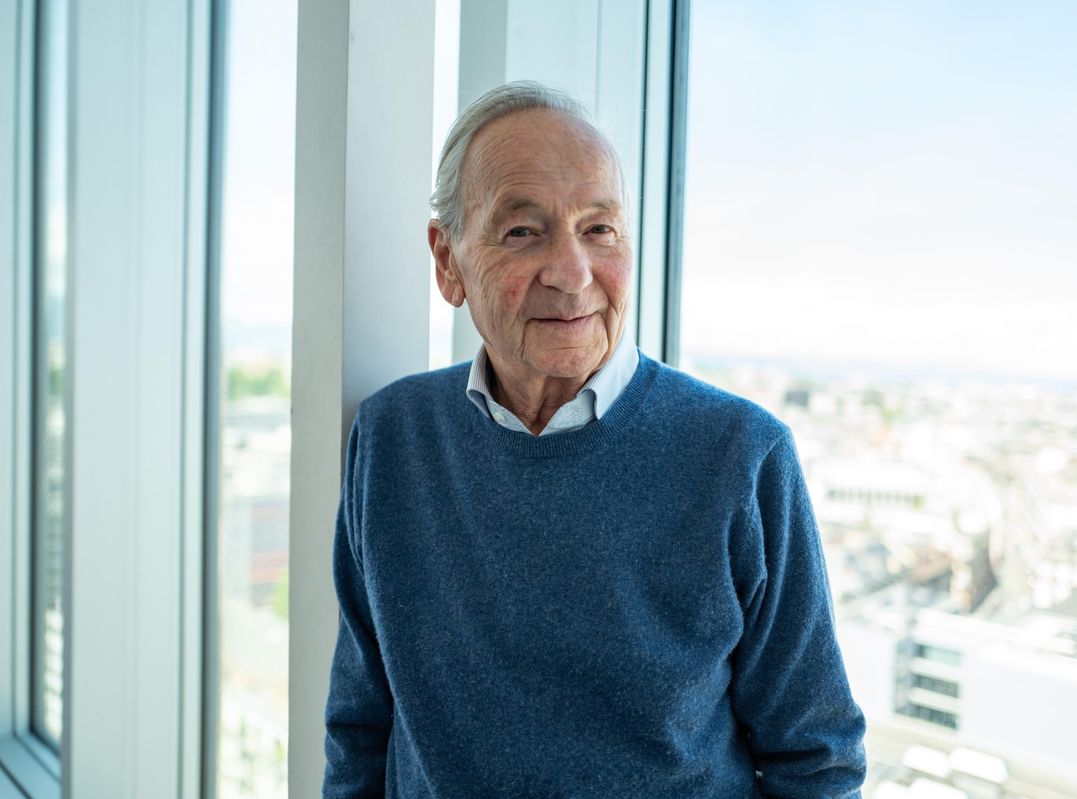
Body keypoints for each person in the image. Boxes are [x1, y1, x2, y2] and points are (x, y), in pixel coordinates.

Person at [322, 80, 867, 798]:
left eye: (599, 229)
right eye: (523, 231)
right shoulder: (391, 438)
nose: (573, 274)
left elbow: (817, 760)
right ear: (447, 261)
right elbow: (360, 727)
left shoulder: (742, 455)